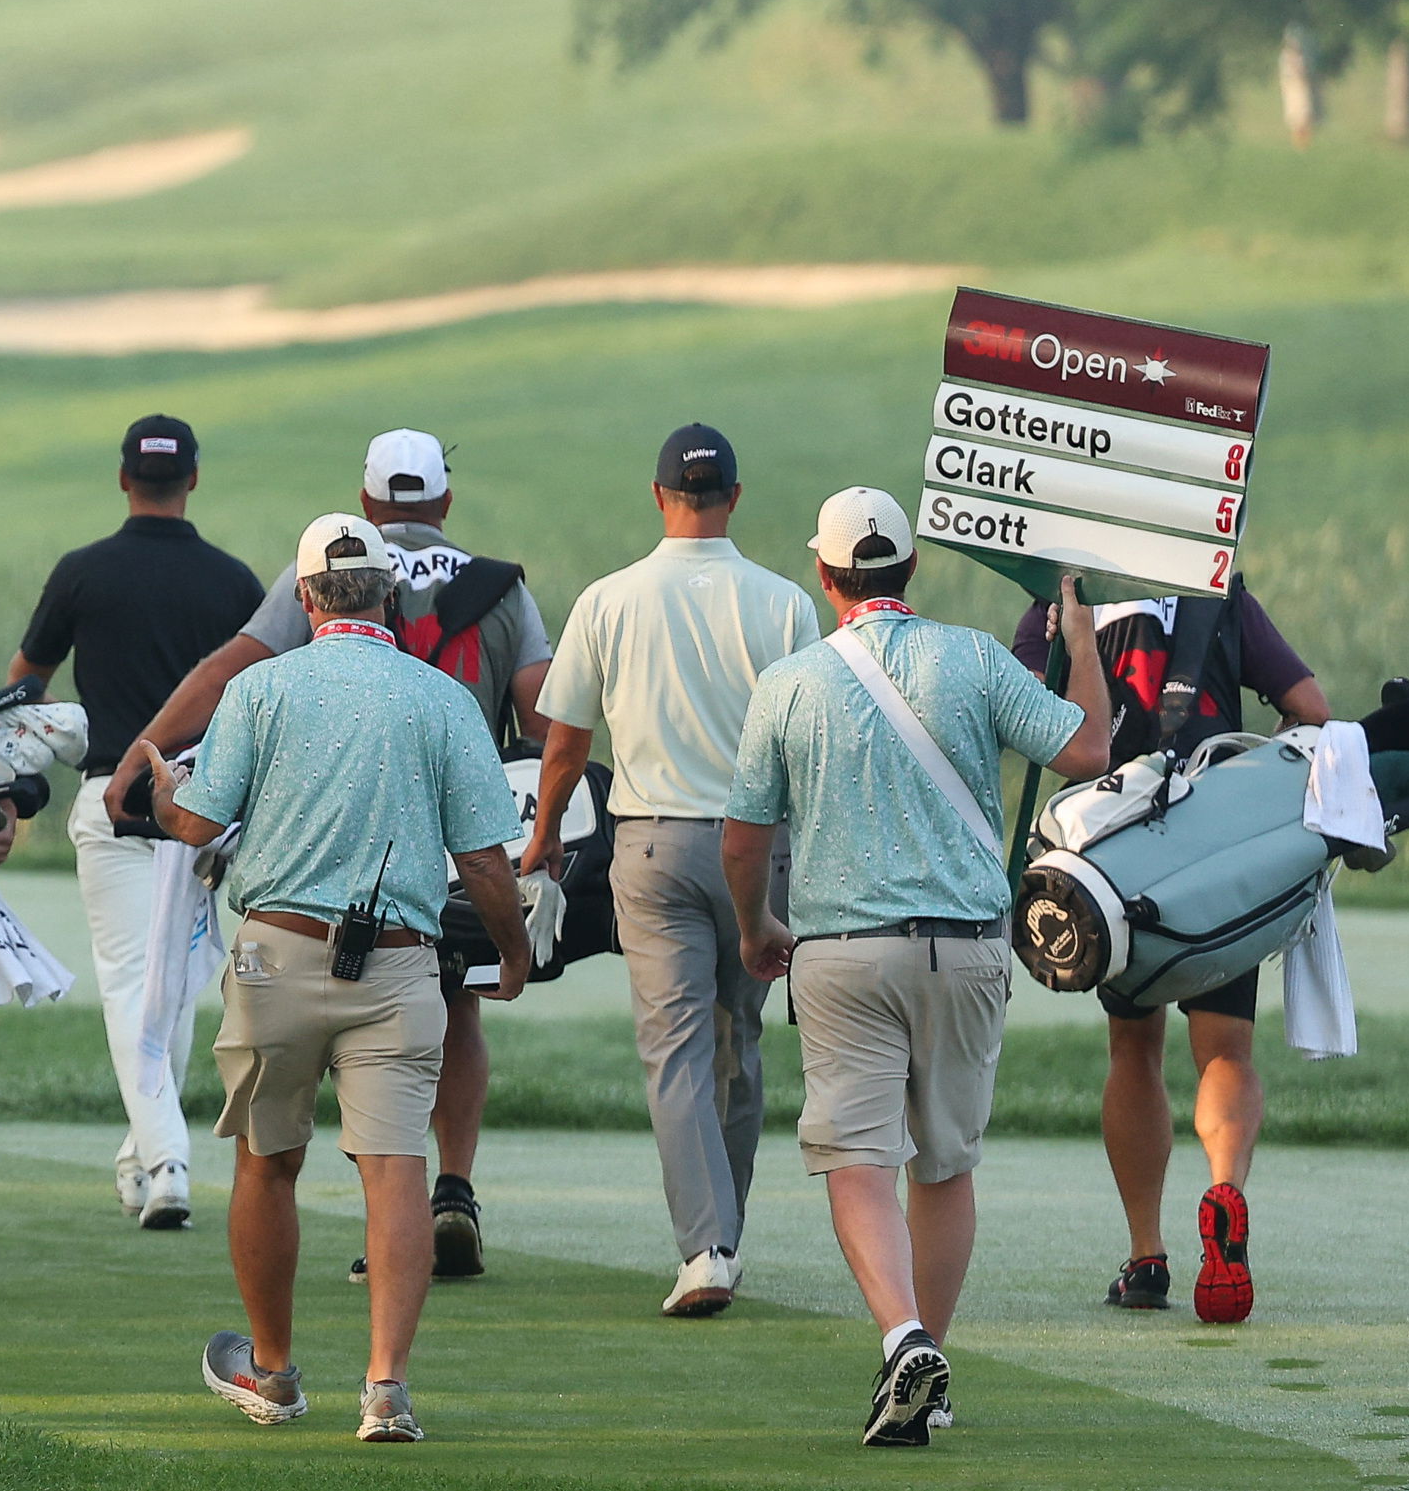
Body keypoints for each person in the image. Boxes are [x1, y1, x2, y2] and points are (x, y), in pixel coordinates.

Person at [111, 427, 554, 1279]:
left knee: (273, 1150)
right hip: (447, 861)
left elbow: (228, 671)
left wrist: (144, 754)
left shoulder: (313, 575)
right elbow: (539, 713)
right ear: (444, 502)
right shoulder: (497, 586)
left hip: (304, 903)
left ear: (366, 504)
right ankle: (452, 1187)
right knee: (450, 1010)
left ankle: (281, 1347)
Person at [721, 488, 1110, 1450]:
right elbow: (1091, 748)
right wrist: (1084, 636)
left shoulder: (791, 681)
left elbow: (742, 837)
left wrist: (753, 925)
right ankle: (923, 1368)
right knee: (943, 1161)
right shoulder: (975, 656)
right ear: (911, 569)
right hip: (966, 947)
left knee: (856, 1158)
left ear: (824, 573)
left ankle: (902, 1339)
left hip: (843, 952)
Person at [156, 513, 529, 1446]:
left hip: (276, 955)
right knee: (396, 1168)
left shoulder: (260, 686)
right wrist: (512, 950)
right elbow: (484, 860)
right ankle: (385, 1388)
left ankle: (274, 1372)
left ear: (309, 596)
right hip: (401, 964)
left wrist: (163, 785)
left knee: (266, 1160)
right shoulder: (437, 695)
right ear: (387, 592)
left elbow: (197, 826)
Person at [525, 423, 818, 1318]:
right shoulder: (782, 603)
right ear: (732, 496)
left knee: (675, 1046)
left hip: (648, 846)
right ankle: (721, 1239)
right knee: (738, 1036)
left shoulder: (607, 598)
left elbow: (566, 743)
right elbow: (805, 742)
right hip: (754, 847)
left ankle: (703, 1248)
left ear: (659, 497)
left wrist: (540, 837)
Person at [1009, 576, 1332, 1324]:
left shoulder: (1056, 601)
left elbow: (1036, 724)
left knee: (1133, 1047)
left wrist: (1071, 638)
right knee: (1225, 1052)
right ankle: (1224, 1187)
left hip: (1119, 861)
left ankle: (1145, 1255)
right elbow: (1310, 710)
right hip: (1218, 852)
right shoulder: (1216, 593)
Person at [0, 413, 266, 1231]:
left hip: (109, 801)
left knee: (132, 986)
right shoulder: (232, 581)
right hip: (200, 813)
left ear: (124, 479)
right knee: (170, 990)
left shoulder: (83, 572)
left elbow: (23, 682)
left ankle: (167, 1161)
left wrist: (63, 731)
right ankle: (143, 1154)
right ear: (192, 479)